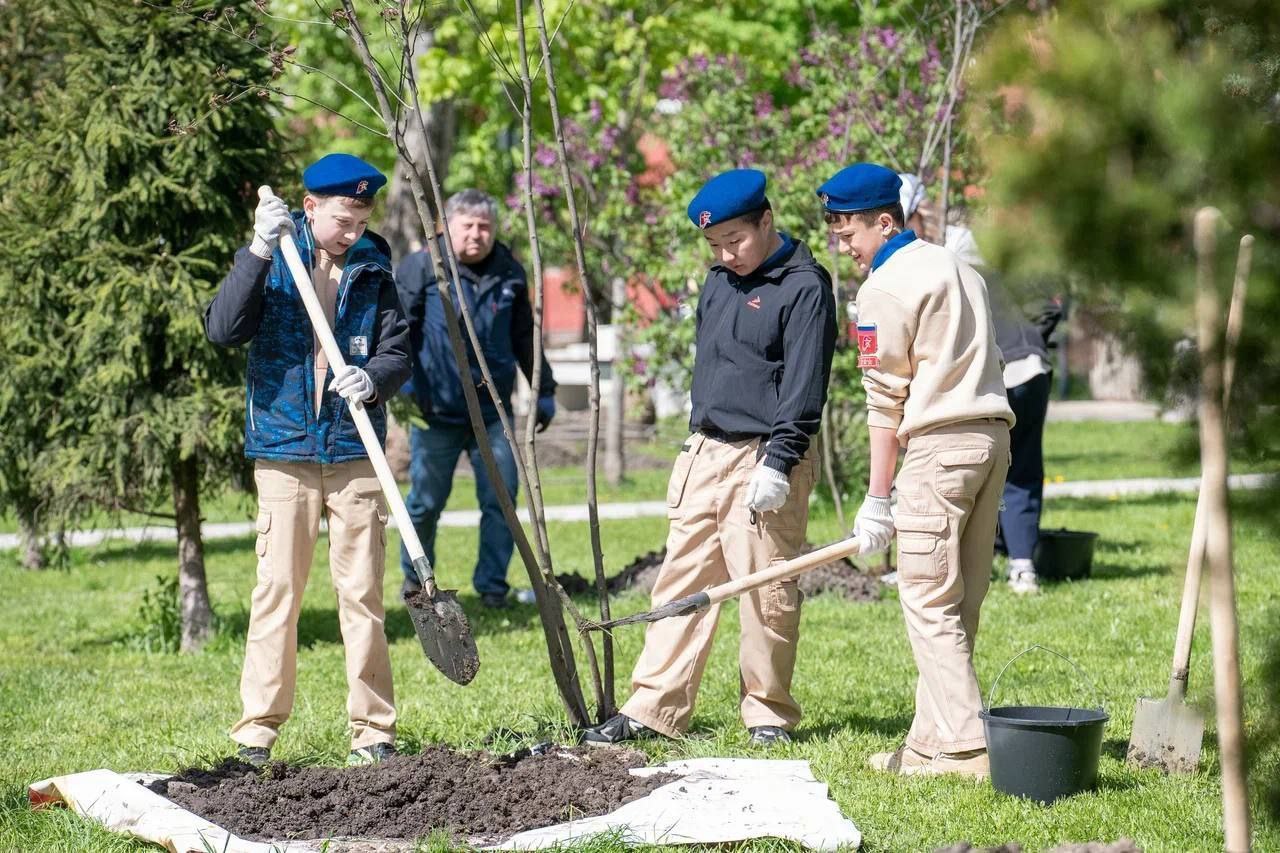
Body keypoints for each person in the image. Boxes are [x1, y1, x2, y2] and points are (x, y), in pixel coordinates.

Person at [583, 169, 837, 748]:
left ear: (766, 221)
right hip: (705, 449)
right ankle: (654, 708)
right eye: (714, 244)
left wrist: (780, 461)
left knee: (766, 590)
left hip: (766, 455)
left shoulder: (804, 287)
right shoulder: (719, 281)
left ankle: (768, 713)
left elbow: (805, 385)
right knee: (679, 583)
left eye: (735, 240)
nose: (725, 254)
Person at [204, 153, 411, 767]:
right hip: (285, 448)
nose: (353, 232)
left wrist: (373, 379)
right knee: (278, 592)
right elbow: (223, 329)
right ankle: (256, 733)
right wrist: (256, 251)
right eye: (343, 220)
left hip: (353, 449)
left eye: (362, 219)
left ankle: (373, 733)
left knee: (363, 595)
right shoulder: (274, 253)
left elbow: (398, 349)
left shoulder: (374, 263)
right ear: (310, 205)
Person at [818, 163, 1013, 777]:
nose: (844, 246)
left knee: (927, 599)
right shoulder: (958, 267)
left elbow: (884, 402)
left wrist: (878, 498)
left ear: (885, 221)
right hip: (991, 440)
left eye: (849, 232)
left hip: (938, 448)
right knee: (960, 599)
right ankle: (929, 744)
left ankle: (968, 749)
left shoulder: (883, 289)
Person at [899, 173, 1062, 594]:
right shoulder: (975, 251)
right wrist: (1033, 341)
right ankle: (1022, 567)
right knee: (1021, 468)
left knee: (969, 467)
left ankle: (953, 562)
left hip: (995, 373)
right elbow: (1047, 304)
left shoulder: (936, 261)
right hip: (1032, 366)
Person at [394, 189, 557, 609]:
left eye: (485, 226)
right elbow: (398, 332)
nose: (477, 234)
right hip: (435, 410)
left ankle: (492, 587)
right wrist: (403, 388)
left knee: (501, 501)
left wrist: (544, 390)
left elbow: (524, 336)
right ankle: (417, 581)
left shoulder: (510, 271)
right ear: (446, 226)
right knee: (425, 502)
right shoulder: (422, 267)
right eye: (468, 226)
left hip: (493, 412)